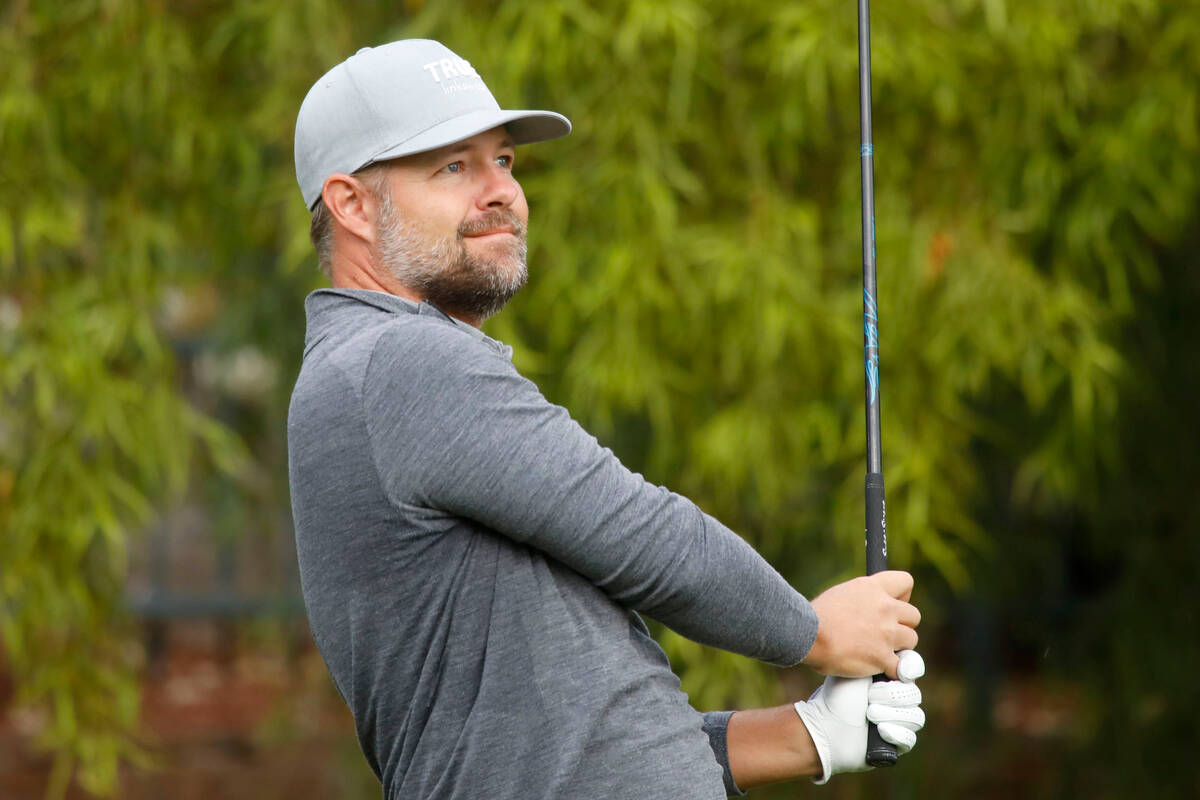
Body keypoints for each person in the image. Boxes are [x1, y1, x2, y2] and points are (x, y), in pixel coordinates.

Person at [287, 39, 925, 799]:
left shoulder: (379, 374)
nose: (500, 192)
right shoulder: (400, 363)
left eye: (505, 161)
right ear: (351, 204)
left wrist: (806, 735)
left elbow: (553, 736)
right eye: (453, 166)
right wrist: (816, 632)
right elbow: (642, 533)